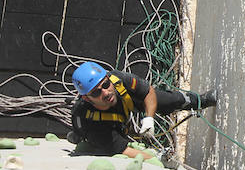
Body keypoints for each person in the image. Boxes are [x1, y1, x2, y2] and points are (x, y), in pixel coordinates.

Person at [69, 61, 218, 158]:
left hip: (123, 107)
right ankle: (75, 136)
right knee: (107, 147)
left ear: (108, 78)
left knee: (168, 100)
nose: (105, 93)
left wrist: (149, 118)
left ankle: (201, 100)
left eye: (106, 85)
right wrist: (157, 158)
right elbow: (124, 151)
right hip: (105, 126)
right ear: (87, 98)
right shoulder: (91, 123)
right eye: (96, 92)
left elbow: (148, 91)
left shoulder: (118, 79)